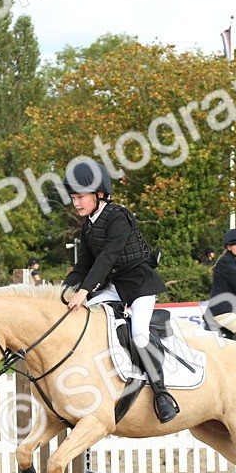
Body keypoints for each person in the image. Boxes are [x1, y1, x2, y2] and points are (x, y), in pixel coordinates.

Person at [61, 162, 179, 423]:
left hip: (140, 285)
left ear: (99, 194)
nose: (76, 203)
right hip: (114, 288)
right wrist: (62, 292)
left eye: (80, 197)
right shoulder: (88, 227)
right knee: (85, 318)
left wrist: (84, 290)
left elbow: (107, 257)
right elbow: (83, 266)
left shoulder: (119, 217)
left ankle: (162, 393)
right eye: (73, 197)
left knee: (138, 333)